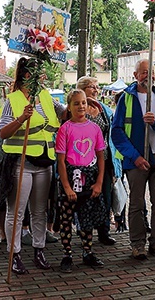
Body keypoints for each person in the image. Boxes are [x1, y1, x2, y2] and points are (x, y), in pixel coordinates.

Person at [0, 57, 65, 274]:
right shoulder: (13, 100)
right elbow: (3, 132)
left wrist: (81, 101)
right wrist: (21, 119)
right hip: (21, 163)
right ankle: (14, 254)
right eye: (39, 72)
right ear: (28, 75)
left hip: (44, 162)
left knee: (40, 211)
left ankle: (39, 250)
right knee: (16, 211)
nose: (43, 76)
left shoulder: (46, 96)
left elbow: (63, 114)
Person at [112, 58, 155, 260]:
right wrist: (135, 157)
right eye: (142, 72)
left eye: (150, 72)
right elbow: (117, 132)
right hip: (136, 160)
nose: (147, 76)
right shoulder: (127, 98)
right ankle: (137, 244)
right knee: (137, 203)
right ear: (135, 75)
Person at [55, 89, 107, 272]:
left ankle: (88, 252)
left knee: (87, 218)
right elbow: (60, 161)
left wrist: (99, 182)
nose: (81, 106)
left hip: (89, 178)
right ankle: (67, 254)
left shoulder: (94, 128)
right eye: (76, 103)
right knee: (66, 218)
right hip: (70, 178)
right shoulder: (65, 129)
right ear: (69, 106)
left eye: (84, 102)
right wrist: (67, 187)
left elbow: (101, 156)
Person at [77, 76, 124, 246]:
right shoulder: (77, 108)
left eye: (97, 87)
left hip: (104, 160)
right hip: (82, 162)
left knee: (106, 197)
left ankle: (104, 232)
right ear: (82, 89)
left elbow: (110, 136)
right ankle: (84, 231)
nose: (96, 90)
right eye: (92, 87)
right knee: (85, 197)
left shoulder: (105, 110)